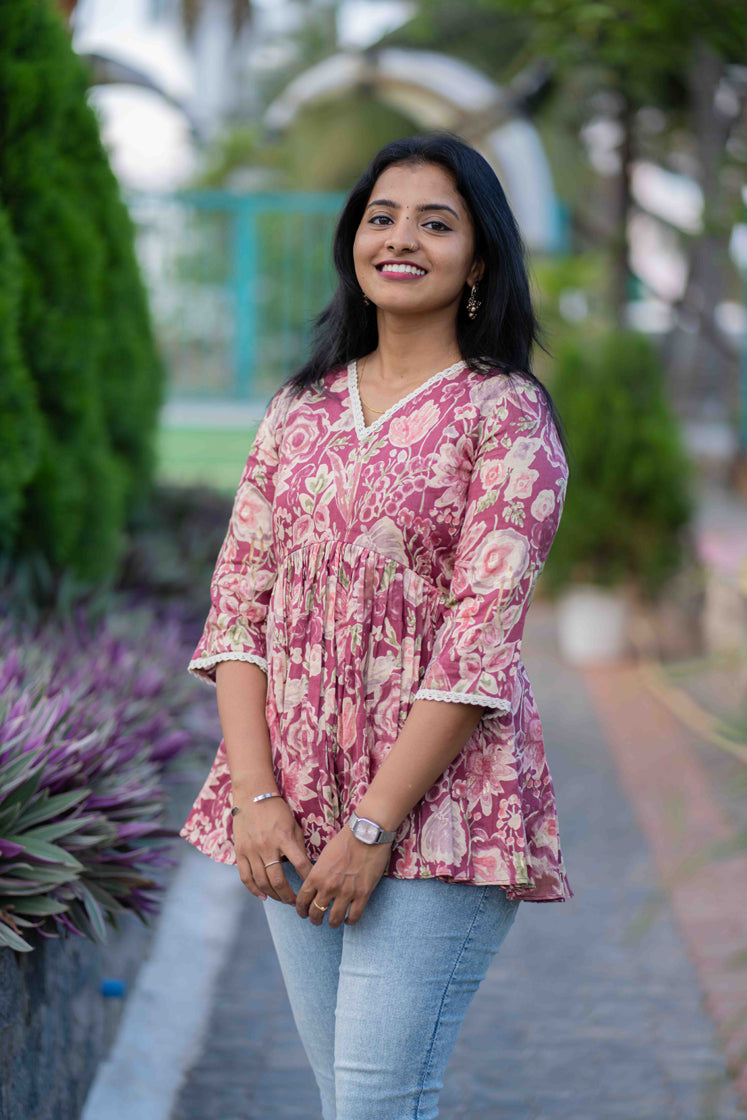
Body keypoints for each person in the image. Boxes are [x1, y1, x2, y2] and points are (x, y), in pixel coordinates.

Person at [180, 132, 572, 1120]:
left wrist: (372, 827)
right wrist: (257, 800)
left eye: (435, 223)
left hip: (439, 810)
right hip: (295, 806)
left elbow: (477, 645)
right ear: (352, 240)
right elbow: (238, 612)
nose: (400, 239)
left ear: (477, 261)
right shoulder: (299, 410)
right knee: (347, 1101)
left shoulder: (504, 415)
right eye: (381, 217)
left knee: (375, 1103)